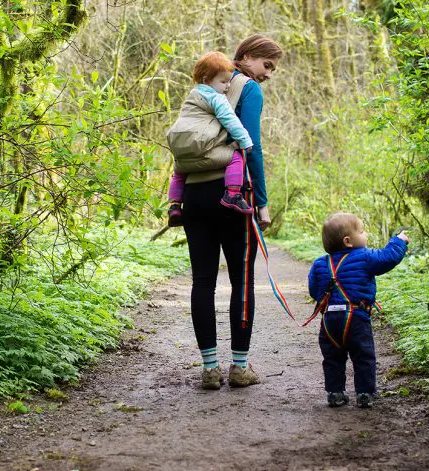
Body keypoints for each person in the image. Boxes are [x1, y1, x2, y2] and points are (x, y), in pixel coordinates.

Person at [181, 35, 283, 390]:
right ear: (248, 57)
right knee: (241, 282)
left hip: (194, 193)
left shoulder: (202, 89)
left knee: (203, 282)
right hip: (232, 196)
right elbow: (251, 146)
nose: (268, 74)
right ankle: (239, 368)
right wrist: (263, 202)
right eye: (267, 65)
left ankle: (210, 369)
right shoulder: (249, 90)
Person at [308, 213, 410, 408]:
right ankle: (364, 393)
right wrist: (399, 241)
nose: (365, 234)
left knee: (332, 358)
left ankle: (335, 393)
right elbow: (387, 258)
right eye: (362, 231)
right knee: (363, 355)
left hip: (329, 320)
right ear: (348, 241)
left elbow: (314, 290)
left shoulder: (320, 264)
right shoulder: (364, 257)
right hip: (356, 317)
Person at [166, 52, 254, 227]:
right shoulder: (216, 98)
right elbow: (230, 120)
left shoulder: (193, 94)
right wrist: (245, 142)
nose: (228, 86)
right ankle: (233, 194)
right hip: (203, 147)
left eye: (229, 81)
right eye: (223, 81)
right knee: (235, 157)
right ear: (207, 80)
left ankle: (174, 205)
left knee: (178, 172)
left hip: (182, 149)